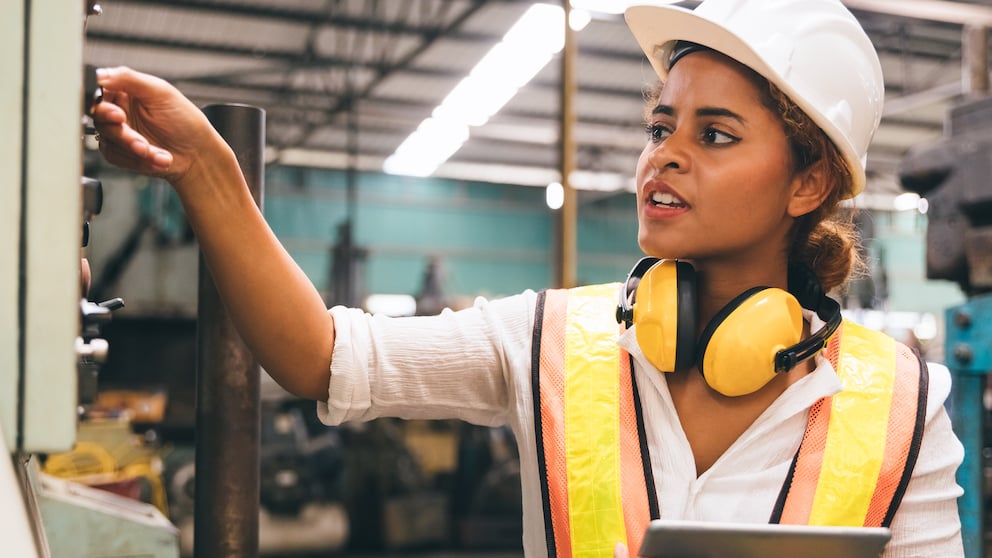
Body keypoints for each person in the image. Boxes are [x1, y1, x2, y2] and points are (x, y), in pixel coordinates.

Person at [91, 0, 965, 556]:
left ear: (808, 183)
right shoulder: (549, 338)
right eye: (662, 126)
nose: (666, 156)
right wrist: (206, 173)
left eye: (717, 134)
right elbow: (322, 356)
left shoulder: (902, 406)